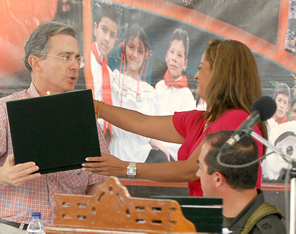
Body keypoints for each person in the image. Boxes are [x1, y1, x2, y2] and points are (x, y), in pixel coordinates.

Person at [0, 21, 108, 234]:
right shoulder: (2, 110)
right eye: (65, 57)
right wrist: (2, 174)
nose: (75, 65)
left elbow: (99, 180)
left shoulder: (83, 117)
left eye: (77, 58)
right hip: (10, 229)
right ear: (36, 63)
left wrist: (100, 206)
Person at [83, 39, 267, 197]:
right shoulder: (202, 120)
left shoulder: (236, 119)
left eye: (201, 68)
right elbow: (142, 123)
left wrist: (125, 168)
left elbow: (189, 169)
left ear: (220, 74)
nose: (196, 75)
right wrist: (95, 107)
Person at [196, 130, 286, 233]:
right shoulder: (219, 220)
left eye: (200, 167)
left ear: (218, 179)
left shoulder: (264, 230)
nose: (197, 174)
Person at [109, 23, 169, 163]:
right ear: (124, 48)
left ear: (145, 56)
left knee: (163, 160)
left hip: (141, 153)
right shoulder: (113, 80)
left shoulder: (149, 92)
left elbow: (150, 130)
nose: (135, 55)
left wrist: (162, 148)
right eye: (131, 47)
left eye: (140, 51)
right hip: (116, 150)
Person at [154, 28, 196, 159]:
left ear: (185, 63)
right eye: (172, 52)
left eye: (179, 55)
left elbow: (189, 135)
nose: (174, 58)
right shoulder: (159, 87)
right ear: (166, 55)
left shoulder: (187, 95)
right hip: (155, 148)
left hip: (174, 156)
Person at [91, 5, 120, 140]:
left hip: (102, 137)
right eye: (104, 30)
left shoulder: (109, 73)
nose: (107, 38)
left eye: (112, 35)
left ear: (115, 41)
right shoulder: (84, 61)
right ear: (95, 28)